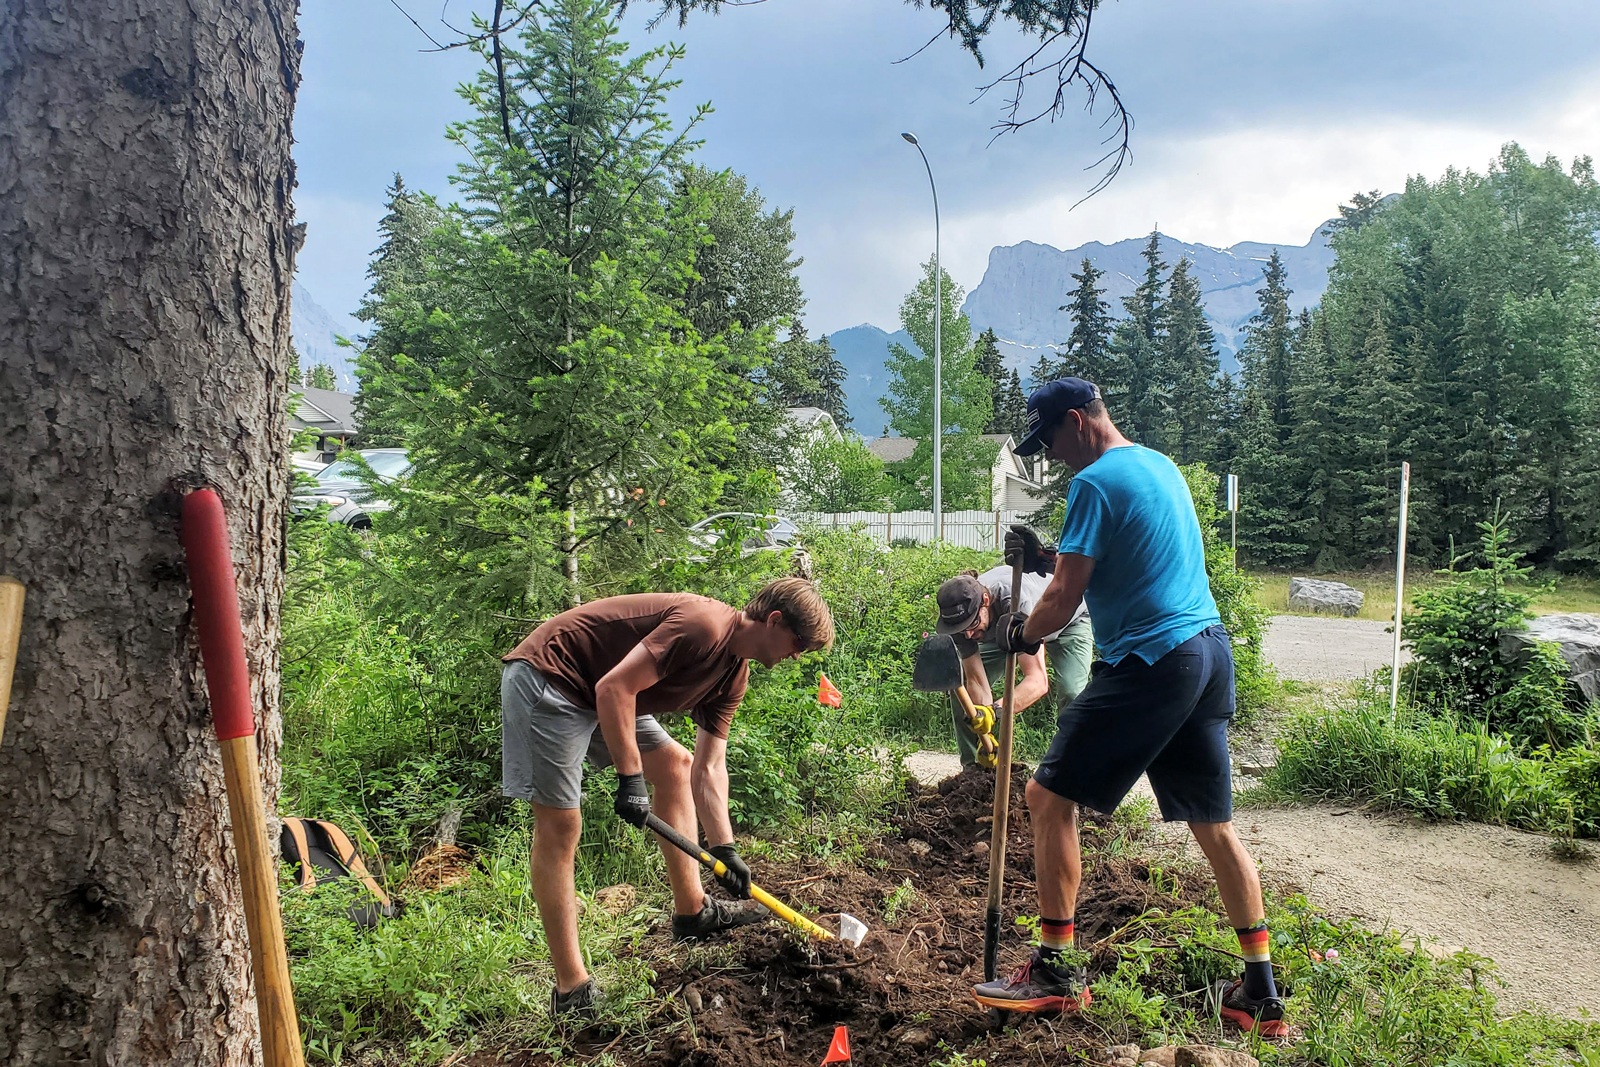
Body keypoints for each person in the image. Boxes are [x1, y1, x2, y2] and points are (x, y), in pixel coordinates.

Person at [970, 377, 1286, 1039]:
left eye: (1052, 438)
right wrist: (1047, 556)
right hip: (1205, 652)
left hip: (1151, 659)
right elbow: (1123, 558)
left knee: (1047, 798)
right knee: (1212, 823)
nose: (1051, 455)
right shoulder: (1156, 465)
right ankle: (1259, 990)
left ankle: (1055, 969)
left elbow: (1061, 601)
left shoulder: (1093, 482)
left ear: (1080, 420)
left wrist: (1022, 634)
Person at [500, 578, 835, 1016]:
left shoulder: (734, 675)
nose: (796, 656)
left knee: (675, 768)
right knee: (561, 824)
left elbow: (709, 766)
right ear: (774, 621)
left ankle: (692, 912)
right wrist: (630, 779)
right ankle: (571, 989)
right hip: (553, 678)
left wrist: (725, 848)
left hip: (602, 692)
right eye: (798, 645)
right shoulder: (703, 627)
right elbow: (614, 689)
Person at [933, 561, 1091, 769]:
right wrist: (984, 728)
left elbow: (1037, 681)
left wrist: (996, 711)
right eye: (962, 629)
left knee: (1072, 692)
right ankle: (975, 769)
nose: (969, 635)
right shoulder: (959, 622)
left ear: (986, 601)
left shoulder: (1016, 601)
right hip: (1003, 633)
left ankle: (1067, 772)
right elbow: (976, 681)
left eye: (972, 624)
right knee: (962, 688)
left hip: (1067, 622)